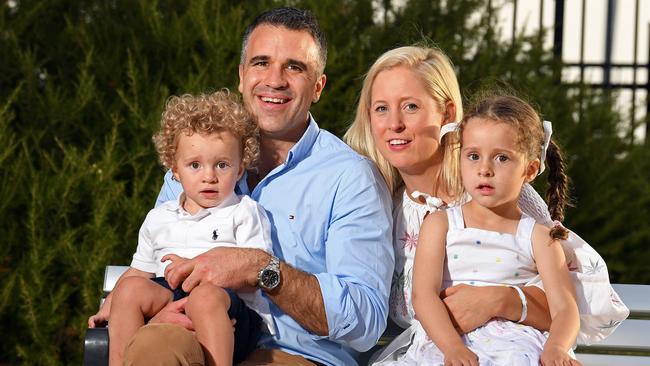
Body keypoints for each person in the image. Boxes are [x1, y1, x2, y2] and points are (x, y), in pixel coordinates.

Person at [123, 7, 394, 366]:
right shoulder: (193, 160)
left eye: (294, 67)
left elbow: (366, 321)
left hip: (290, 353)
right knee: (153, 350)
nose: (275, 80)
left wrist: (262, 269)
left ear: (317, 87)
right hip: (190, 331)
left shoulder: (351, 178)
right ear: (241, 75)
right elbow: (152, 267)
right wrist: (152, 316)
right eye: (261, 62)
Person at [344, 45, 628, 363]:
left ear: (447, 114)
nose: (394, 123)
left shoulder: (497, 194)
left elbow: (575, 301)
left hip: (512, 346)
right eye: (381, 108)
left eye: (410, 106)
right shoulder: (379, 202)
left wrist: (501, 300)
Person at [386, 94, 580, 365]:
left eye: (501, 158)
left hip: (516, 344)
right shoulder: (440, 224)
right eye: (474, 156)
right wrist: (453, 348)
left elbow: (565, 309)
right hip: (448, 339)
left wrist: (557, 348)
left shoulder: (539, 237)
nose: (485, 169)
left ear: (530, 170)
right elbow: (423, 296)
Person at [88, 90, 275, 366]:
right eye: (195, 165)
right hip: (170, 297)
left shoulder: (243, 212)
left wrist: (200, 269)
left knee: (204, 298)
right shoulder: (159, 218)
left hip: (228, 311)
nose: (209, 176)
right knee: (130, 291)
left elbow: (255, 271)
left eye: (222, 165)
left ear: (239, 169)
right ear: (175, 170)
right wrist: (110, 304)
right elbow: (139, 271)